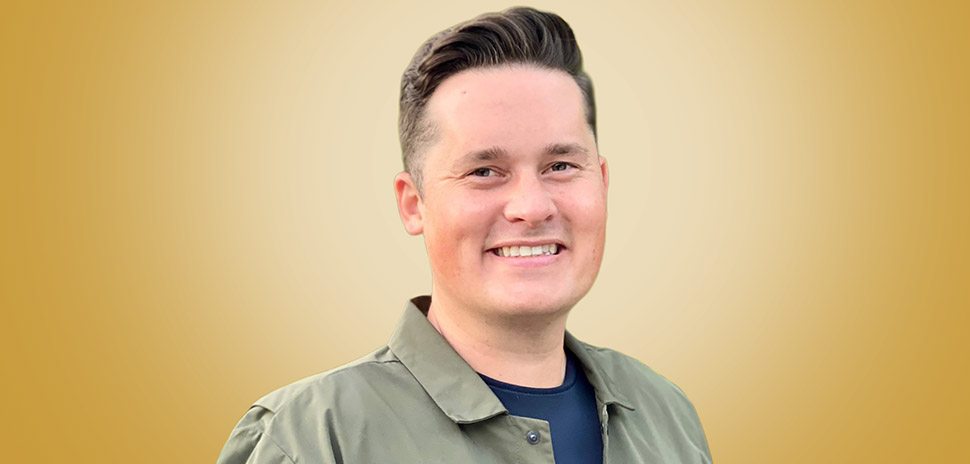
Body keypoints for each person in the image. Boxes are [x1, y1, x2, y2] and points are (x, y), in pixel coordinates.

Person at [217, 7, 711, 463]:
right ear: (414, 204)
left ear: (601, 183)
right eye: (484, 172)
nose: (532, 207)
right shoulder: (310, 438)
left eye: (560, 165)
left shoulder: (666, 414)